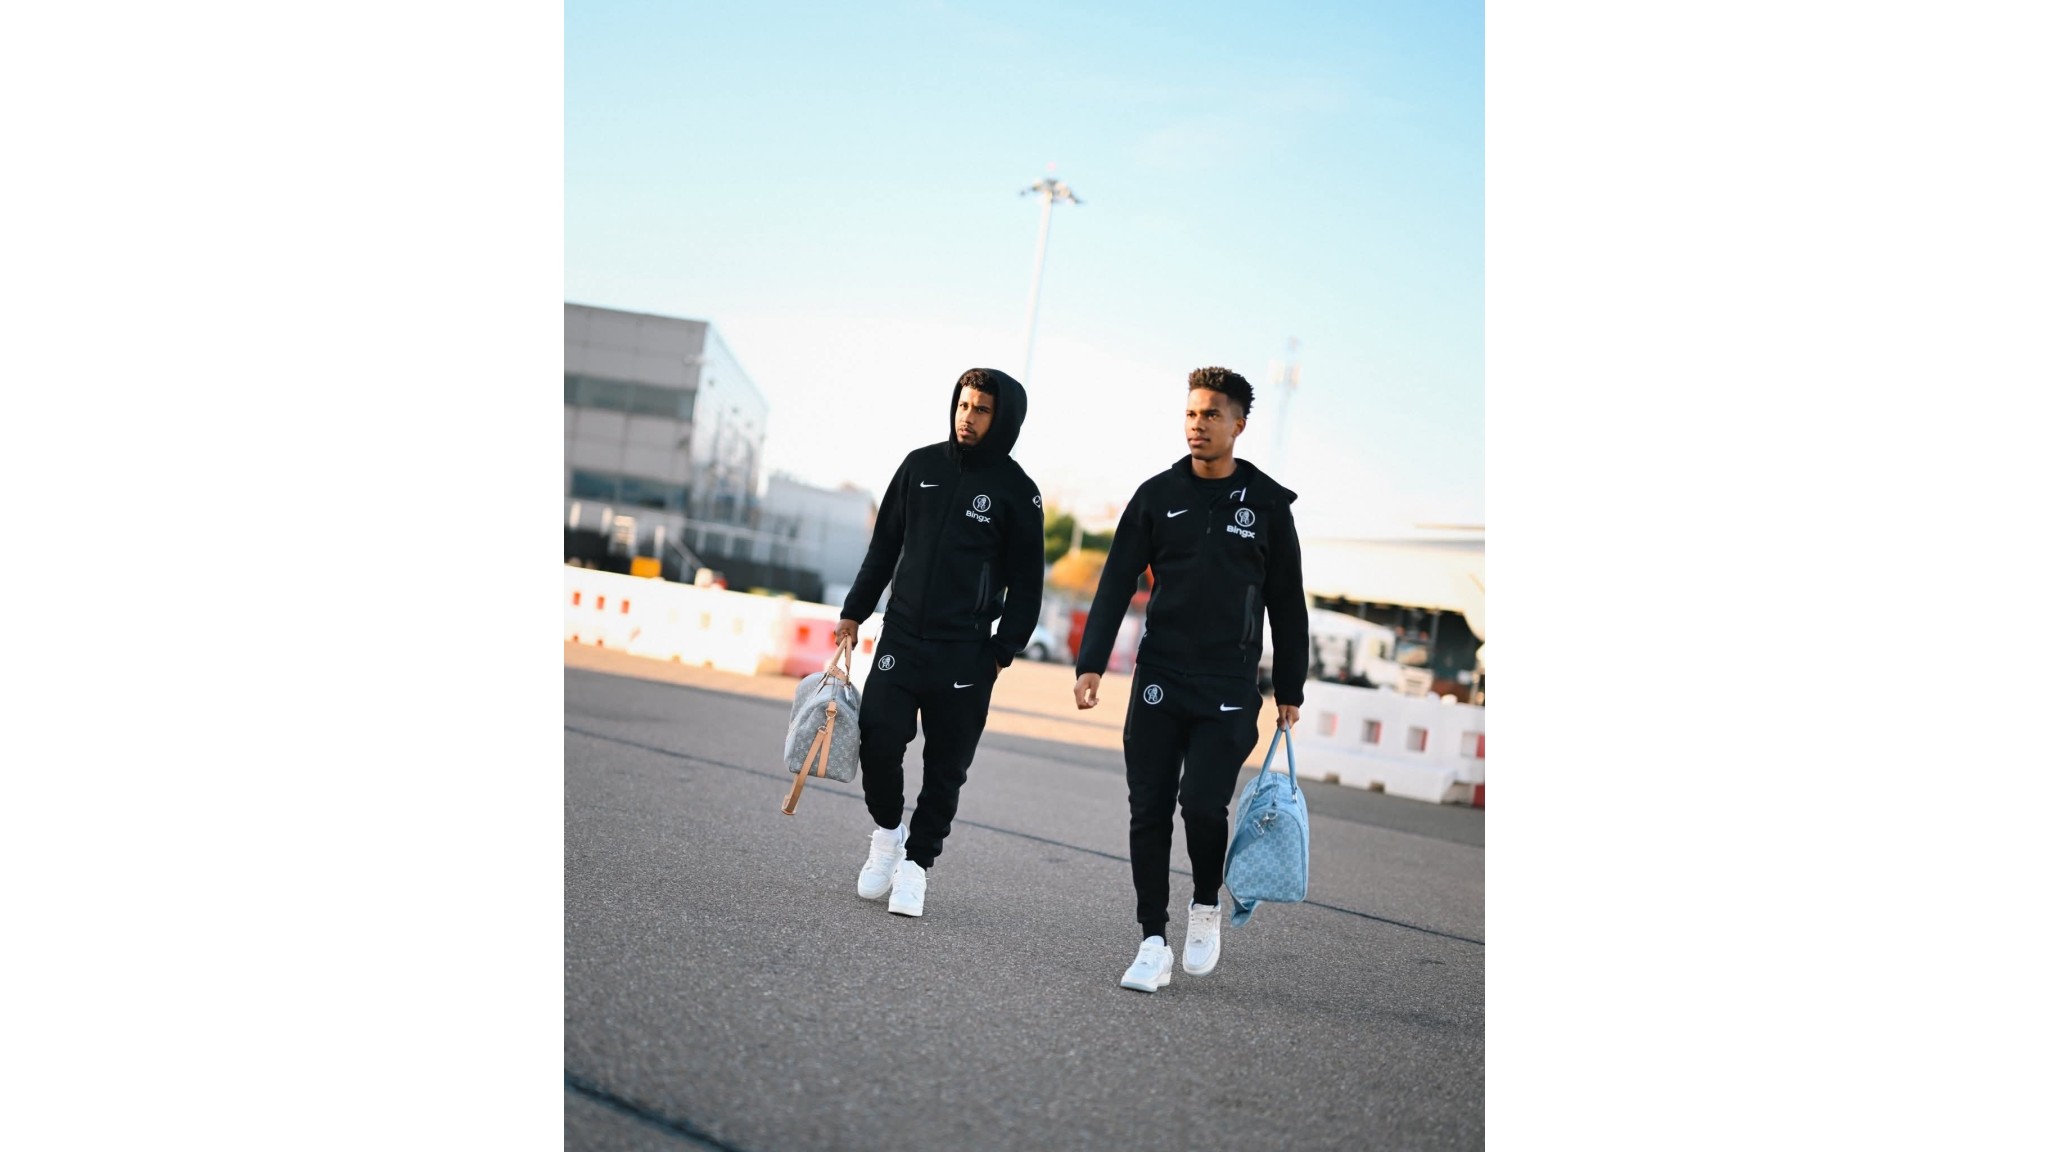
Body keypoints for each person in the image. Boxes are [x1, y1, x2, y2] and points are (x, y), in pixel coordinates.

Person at [1072, 366, 1308, 991]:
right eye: (1191, 413)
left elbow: (1287, 603)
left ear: (1238, 425)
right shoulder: (1156, 496)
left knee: (1202, 805)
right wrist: (1091, 661)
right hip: (1159, 677)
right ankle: (1152, 940)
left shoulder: (1268, 505)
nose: (1197, 425)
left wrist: (1290, 687)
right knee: (1147, 808)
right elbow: (1116, 580)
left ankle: (1206, 904)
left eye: (1211, 415)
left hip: (1228, 685)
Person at [834, 368, 1044, 918]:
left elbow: (1028, 585)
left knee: (946, 770)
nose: (967, 417)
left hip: (966, 652)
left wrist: (1001, 651)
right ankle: (887, 835)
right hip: (902, 637)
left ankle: (916, 866)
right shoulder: (919, 466)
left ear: (1003, 419)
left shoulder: (1018, 491)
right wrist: (855, 612)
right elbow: (884, 548)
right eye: (963, 405)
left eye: (981, 409)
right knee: (879, 740)